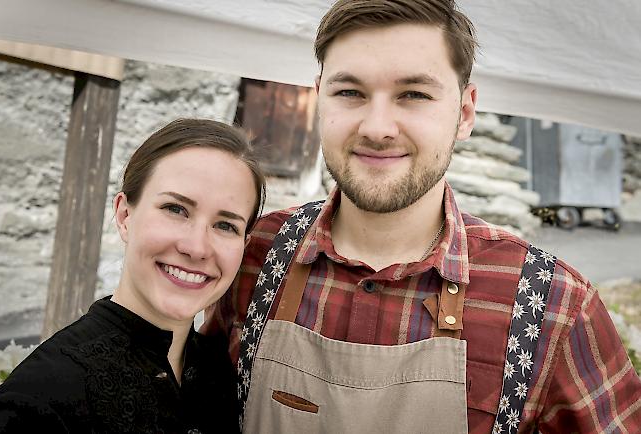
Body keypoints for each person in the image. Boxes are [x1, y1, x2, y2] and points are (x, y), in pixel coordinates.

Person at [207, 1, 641, 433]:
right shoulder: (255, 250)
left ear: (465, 113)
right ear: (319, 97)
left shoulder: (556, 306)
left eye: (413, 94)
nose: (377, 128)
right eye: (350, 92)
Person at [0, 118, 265, 433]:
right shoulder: (38, 400)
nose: (197, 247)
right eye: (175, 209)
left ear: (244, 244)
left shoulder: (222, 374)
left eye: (225, 225)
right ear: (124, 215)